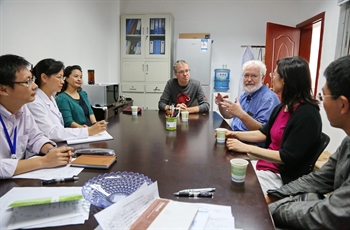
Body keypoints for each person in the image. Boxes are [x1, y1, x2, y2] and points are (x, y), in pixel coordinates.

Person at [265, 55, 350, 230]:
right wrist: (274, 196)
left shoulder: (307, 113)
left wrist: (272, 209)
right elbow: (319, 178)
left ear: (343, 105)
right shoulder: (347, 141)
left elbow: (333, 214)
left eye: (323, 95)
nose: (321, 101)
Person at [224, 56, 322, 193]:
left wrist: (245, 147)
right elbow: (264, 133)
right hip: (263, 165)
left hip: (279, 176)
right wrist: (233, 134)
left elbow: (287, 157)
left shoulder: (307, 114)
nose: (272, 78)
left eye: (274, 74)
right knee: (225, 177)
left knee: (233, 190)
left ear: (285, 80)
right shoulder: (283, 107)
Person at [0, 54, 73, 179]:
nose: (35, 86)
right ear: (3, 89)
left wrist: (50, 150)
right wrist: (43, 161)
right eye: (27, 82)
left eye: (32, 79)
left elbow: (35, 137)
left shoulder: (22, 109)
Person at [27, 59, 106, 142]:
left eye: (62, 78)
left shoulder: (51, 98)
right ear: (44, 77)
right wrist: (87, 131)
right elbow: (51, 133)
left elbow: (59, 128)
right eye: (59, 77)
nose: (62, 82)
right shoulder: (35, 102)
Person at [216, 60, 280, 132]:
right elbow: (228, 115)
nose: (249, 79)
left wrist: (241, 114)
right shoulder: (245, 94)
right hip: (235, 137)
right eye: (246, 75)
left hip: (250, 142)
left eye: (254, 76)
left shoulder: (269, 99)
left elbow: (262, 131)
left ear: (262, 78)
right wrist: (221, 104)